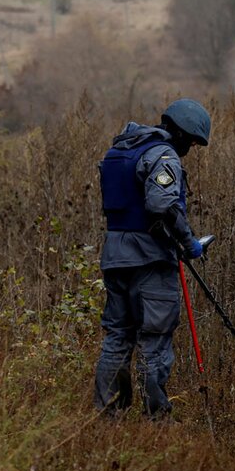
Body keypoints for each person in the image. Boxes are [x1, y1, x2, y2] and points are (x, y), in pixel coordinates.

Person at [94, 98, 211, 418]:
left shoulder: (118, 152)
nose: (191, 148)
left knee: (117, 338)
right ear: (184, 134)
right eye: (193, 142)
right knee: (154, 341)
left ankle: (107, 419)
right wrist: (189, 243)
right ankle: (156, 422)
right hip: (151, 262)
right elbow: (161, 205)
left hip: (115, 258)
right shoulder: (163, 155)